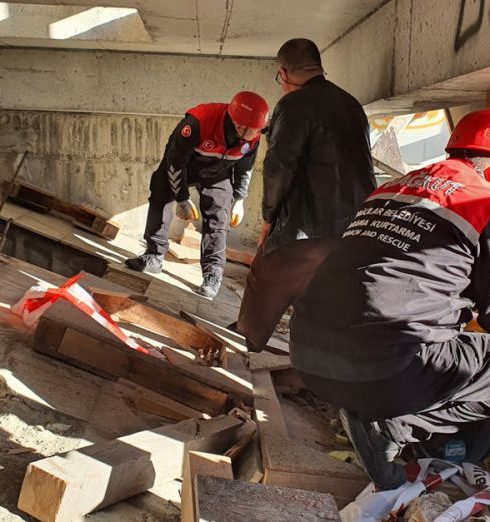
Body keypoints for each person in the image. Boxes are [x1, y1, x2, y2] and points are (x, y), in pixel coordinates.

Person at [290, 109, 490, 489]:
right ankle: (393, 425)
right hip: (383, 371)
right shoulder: (483, 202)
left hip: (307, 357)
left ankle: (380, 413)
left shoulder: (394, 187)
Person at [233, 38, 376, 351]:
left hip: (310, 225)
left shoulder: (293, 104)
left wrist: (269, 218)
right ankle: (317, 360)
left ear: (283, 74)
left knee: (266, 275)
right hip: (358, 226)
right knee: (324, 295)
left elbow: (280, 166)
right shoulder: (351, 104)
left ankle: (244, 344)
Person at [125, 91, 269, 299]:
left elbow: (245, 167)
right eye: (247, 131)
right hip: (184, 167)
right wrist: (182, 198)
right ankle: (153, 255)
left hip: (217, 173)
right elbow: (174, 162)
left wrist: (239, 199)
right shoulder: (198, 121)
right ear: (237, 123)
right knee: (160, 195)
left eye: (256, 132)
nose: (252, 136)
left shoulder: (253, 135)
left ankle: (213, 274)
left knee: (220, 217)